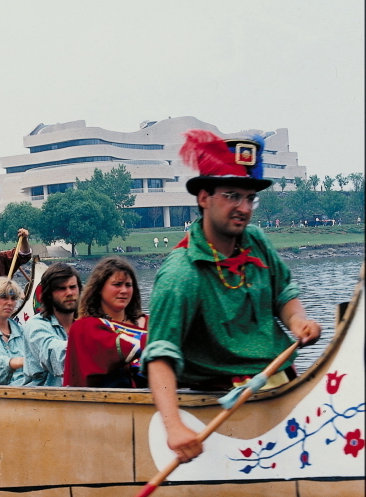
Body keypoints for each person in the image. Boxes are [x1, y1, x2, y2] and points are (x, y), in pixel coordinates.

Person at [142, 130, 321, 463]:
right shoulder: (181, 273)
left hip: (281, 387)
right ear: (204, 198)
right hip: (225, 407)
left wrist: (298, 320)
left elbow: (283, 292)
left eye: (250, 198)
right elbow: (160, 356)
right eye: (232, 196)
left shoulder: (256, 240)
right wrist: (175, 427)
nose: (243, 207)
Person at [64, 257, 148, 388]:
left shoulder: (150, 323)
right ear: (99, 288)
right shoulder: (83, 327)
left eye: (128, 285)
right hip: (106, 405)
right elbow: (113, 348)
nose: (124, 290)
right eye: (117, 284)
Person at [21, 263, 80, 386]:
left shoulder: (85, 323)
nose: (69, 293)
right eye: (61, 289)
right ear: (49, 295)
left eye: (73, 287)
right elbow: (56, 356)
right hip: (41, 400)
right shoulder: (36, 326)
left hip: (78, 399)